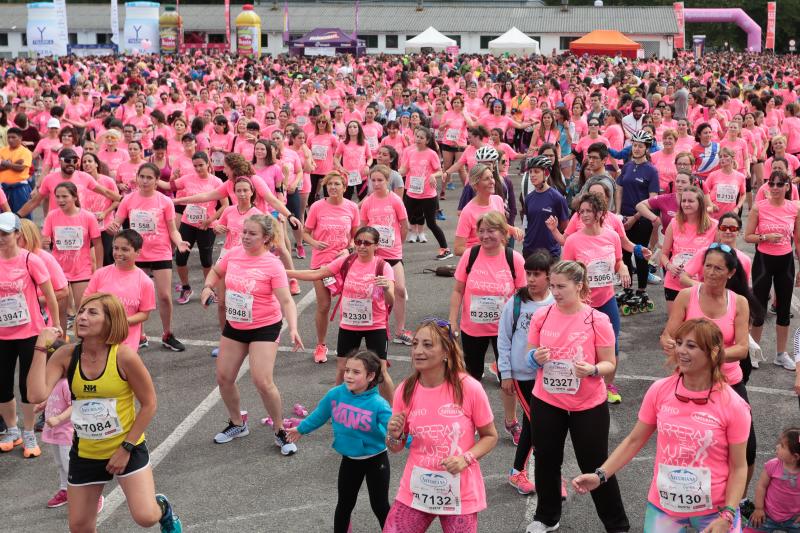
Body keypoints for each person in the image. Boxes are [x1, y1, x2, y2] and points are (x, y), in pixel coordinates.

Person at [573, 319, 750, 533]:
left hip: (716, 512)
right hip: (665, 507)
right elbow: (634, 440)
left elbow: (739, 467)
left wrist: (728, 514)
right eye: (679, 343)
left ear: (713, 352)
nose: (681, 351)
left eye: (691, 346)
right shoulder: (660, 391)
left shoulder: (733, 404)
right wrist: (600, 475)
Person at [26, 293, 182, 533]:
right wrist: (40, 345)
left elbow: (149, 404)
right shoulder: (67, 355)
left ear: (110, 321)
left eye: (92, 312)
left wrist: (125, 449)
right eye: (81, 312)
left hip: (126, 448)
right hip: (86, 452)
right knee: (79, 527)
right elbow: (36, 395)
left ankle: (162, 507)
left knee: (145, 516)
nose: (82, 317)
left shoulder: (124, 357)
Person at [525, 260, 629, 533]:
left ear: (579, 286)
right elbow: (529, 356)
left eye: (561, 286)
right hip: (547, 400)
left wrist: (594, 369)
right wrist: (534, 357)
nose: (555, 291)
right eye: (553, 285)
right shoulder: (542, 316)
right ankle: (547, 517)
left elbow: (610, 364)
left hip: (588, 404)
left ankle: (616, 524)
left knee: (595, 464)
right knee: (546, 458)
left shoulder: (597, 319)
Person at [199, 214, 303, 455]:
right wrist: (207, 287)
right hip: (236, 325)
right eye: (244, 231)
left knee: (262, 381)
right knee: (224, 378)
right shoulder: (233, 254)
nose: (245, 236)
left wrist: (294, 327)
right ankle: (237, 423)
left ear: (266, 238)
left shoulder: (272, 264)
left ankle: (279, 430)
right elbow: (215, 272)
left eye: (252, 233)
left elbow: (287, 301)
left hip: (264, 326)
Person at [383, 318, 498, 533]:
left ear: (446, 352)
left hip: (459, 493)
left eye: (427, 345)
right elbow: (396, 447)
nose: (418, 350)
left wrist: (466, 459)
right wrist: (394, 435)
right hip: (417, 489)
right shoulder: (405, 390)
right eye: (415, 343)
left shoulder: (469, 388)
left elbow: (490, 436)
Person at [286, 350, 392, 533]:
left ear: (371, 376)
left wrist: (416, 444)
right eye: (347, 370)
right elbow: (320, 414)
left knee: (380, 506)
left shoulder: (379, 404)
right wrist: (301, 429)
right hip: (350, 460)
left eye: (356, 372)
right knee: (344, 504)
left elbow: (395, 430)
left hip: (376, 461)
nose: (349, 376)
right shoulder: (336, 394)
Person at [288, 226, 396, 402]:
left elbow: (390, 300)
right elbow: (318, 274)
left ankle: (392, 412)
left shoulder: (383, 267)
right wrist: (284, 272)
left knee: (381, 371)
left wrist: (386, 289)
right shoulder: (347, 261)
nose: (361, 246)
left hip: (375, 325)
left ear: (376, 246)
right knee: (341, 367)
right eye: (358, 241)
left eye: (367, 243)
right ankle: (337, 405)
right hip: (349, 324)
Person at [449, 210, 526, 438]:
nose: (484, 235)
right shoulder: (470, 256)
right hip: (472, 329)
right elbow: (457, 291)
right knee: (471, 378)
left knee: (508, 380)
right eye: (481, 231)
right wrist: (453, 321)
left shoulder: (514, 259)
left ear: (503, 233)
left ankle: (511, 421)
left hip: (505, 332)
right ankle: (472, 420)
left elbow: (523, 296)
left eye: (490, 231)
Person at [106, 162, 189, 352]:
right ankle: (140, 335)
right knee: (135, 298)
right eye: (141, 176)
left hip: (160, 251)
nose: (144, 181)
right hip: (135, 254)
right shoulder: (128, 200)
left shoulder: (164, 201)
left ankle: (167, 334)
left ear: (157, 180)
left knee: (165, 296)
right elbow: (117, 223)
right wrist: (113, 227)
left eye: (149, 177)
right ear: (137, 177)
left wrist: (179, 242)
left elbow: (172, 229)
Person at [561, 192, 631, 404]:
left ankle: (608, 385)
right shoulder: (573, 241)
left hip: (606, 300)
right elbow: (566, 273)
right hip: (583, 304)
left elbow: (619, 261)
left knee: (612, 344)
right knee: (580, 344)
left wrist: (624, 268)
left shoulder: (611, 237)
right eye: (581, 211)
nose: (583, 215)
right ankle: (579, 382)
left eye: (588, 211)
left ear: (600, 213)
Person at [0, 212, 60, 457]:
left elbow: (52, 295)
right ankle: (12, 430)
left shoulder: (30, 261)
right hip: (2, 335)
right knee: (2, 385)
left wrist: (55, 326)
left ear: (17, 234)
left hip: (30, 332)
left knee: (28, 385)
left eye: (5, 234)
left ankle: (28, 433)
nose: (1, 239)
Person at [497, 250, 555, 495]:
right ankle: (518, 473)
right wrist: (506, 373)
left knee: (541, 425)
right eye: (528, 273)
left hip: (549, 376)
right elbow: (504, 339)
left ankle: (546, 475)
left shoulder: (555, 302)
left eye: (537, 274)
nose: (531, 279)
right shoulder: (517, 302)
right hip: (522, 375)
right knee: (537, 424)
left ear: (549, 276)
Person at [302, 171, 360, 364]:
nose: (333, 187)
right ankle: (321, 344)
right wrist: (314, 243)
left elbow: (356, 235)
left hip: (345, 263)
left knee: (350, 304)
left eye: (337, 184)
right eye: (329, 184)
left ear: (344, 187)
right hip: (321, 263)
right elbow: (305, 232)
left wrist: (348, 248)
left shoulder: (352, 207)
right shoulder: (318, 207)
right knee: (324, 305)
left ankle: (352, 346)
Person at [744, 170, 800, 370]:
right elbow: (747, 236)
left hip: (785, 262)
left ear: (787, 186)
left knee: (783, 309)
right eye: (771, 184)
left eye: (779, 184)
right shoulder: (759, 207)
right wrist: (765, 237)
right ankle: (754, 352)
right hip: (763, 261)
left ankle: (781, 354)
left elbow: (798, 240)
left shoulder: (794, 208)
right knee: (758, 309)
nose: (775, 188)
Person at [359, 165, 411, 345]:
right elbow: (363, 227)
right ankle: (375, 327)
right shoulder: (368, 201)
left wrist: (398, 243)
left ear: (388, 181)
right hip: (375, 255)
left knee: (400, 289)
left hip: (394, 253)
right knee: (375, 292)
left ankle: (400, 329)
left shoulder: (395, 200)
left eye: (380, 180)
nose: (376, 183)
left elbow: (404, 225)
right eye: (373, 180)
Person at [42, 181, 103, 331]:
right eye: (57, 197)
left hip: (81, 270)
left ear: (75, 197)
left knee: (84, 310)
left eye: (65, 196)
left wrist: (99, 269)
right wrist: (45, 244)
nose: (60, 200)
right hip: (59, 271)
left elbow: (98, 244)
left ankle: (84, 344)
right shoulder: (52, 216)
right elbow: (44, 243)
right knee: (60, 311)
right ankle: (61, 342)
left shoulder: (88, 217)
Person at [85, 229, 156, 352]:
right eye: (115, 248)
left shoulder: (145, 282)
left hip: (126, 344)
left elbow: (144, 314)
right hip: (98, 338)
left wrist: (122, 321)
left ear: (138, 252)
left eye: (125, 249)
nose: (118, 253)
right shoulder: (100, 274)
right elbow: (86, 301)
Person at [173, 152, 226, 305]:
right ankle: (186, 287)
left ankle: (208, 290)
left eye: (201, 165)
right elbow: (170, 185)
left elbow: (225, 205)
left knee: (206, 260)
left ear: (208, 163)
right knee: (181, 257)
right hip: (187, 223)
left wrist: (210, 220)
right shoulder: (188, 178)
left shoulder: (216, 181)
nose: (198, 168)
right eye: (195, 166)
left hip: (206, 226)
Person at [616, 131, 660, 300]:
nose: (637, 148)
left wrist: (635, 217)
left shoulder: (651, 170)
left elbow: (652, 199)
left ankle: (641, 290)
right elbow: (619, 190)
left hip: (641, 219)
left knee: (640, 254)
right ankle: (627, 288)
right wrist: (619, 214)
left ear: (647, 148)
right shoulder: (626, 166)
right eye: (635, 145)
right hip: (624, 217)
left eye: (641, 146)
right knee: (624, 254)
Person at [660, 186, 718, 314]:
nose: (686, 204)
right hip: (674, 281)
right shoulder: (674, 223)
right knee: (675, 326)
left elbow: (720, 258)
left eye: (690, 201)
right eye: (683, 201)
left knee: (697, 328)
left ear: (700, 203)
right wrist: (669, 266)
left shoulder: (714, 226)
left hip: (700, 284)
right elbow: (663, 254)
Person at [400, 127, 452, 260]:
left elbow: (440, 171)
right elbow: (404, 170)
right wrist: (391, 173)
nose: (418, 139)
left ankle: (445, 249)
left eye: (421, 137)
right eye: (417, 136)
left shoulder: (431, 154)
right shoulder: (411, 153)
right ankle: (394, 249)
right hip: (411, 194)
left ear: (427, 140)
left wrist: (434, 175)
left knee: (431, 224)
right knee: (403, 222)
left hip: (428, 195)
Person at [744, 427, 800, 533]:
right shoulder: (772, 465)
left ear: (795, 457)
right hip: (767, 514)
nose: (777, 447)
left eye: (782, 446)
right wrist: (759, 509)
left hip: (794, 519)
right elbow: (761, 486)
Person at [0, 128, 33, 214]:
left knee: (21, 215)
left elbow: (20, 168)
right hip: (3, 189)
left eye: (13, 137)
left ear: (20, 138)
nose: (10, 140)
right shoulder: (2, 150)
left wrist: (4, 162)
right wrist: (14, 164)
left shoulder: (25, 152)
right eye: (9, 137)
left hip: (20, 188)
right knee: (4, 217)